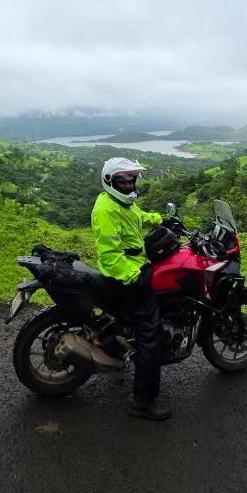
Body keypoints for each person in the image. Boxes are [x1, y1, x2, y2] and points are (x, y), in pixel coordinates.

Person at [91, 157, 171, 421]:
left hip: (135, 265)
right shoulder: (106, 210)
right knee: (151, 335)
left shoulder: (123, 203)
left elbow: (140, 217)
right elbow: (110, 255)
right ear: (110, 182)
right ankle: (142, 401)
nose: (128, 185)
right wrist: (134, 277)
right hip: (126, 274)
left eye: (131, 180)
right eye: (123, 181)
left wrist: (162, 219)